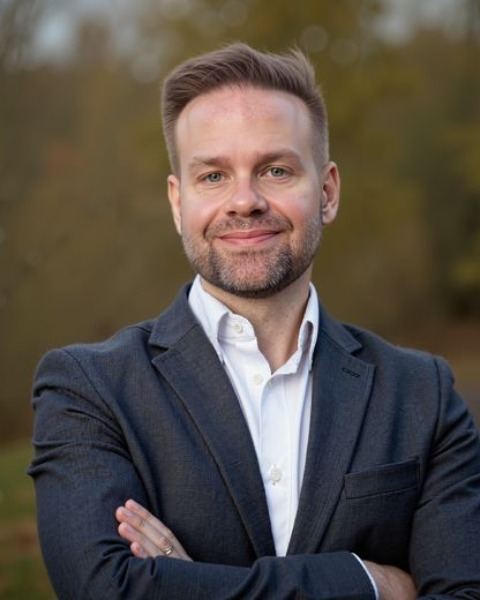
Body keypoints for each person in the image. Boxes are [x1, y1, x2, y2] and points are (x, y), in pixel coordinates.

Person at [29, 43, 480, 600]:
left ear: (328, 192)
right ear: (178, 202)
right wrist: (369, 582)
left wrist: (184, 584)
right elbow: (107, 590)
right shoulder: (89, 390)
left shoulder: (422, 394)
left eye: (275, 170)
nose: (244, 201)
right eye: (213, 176)